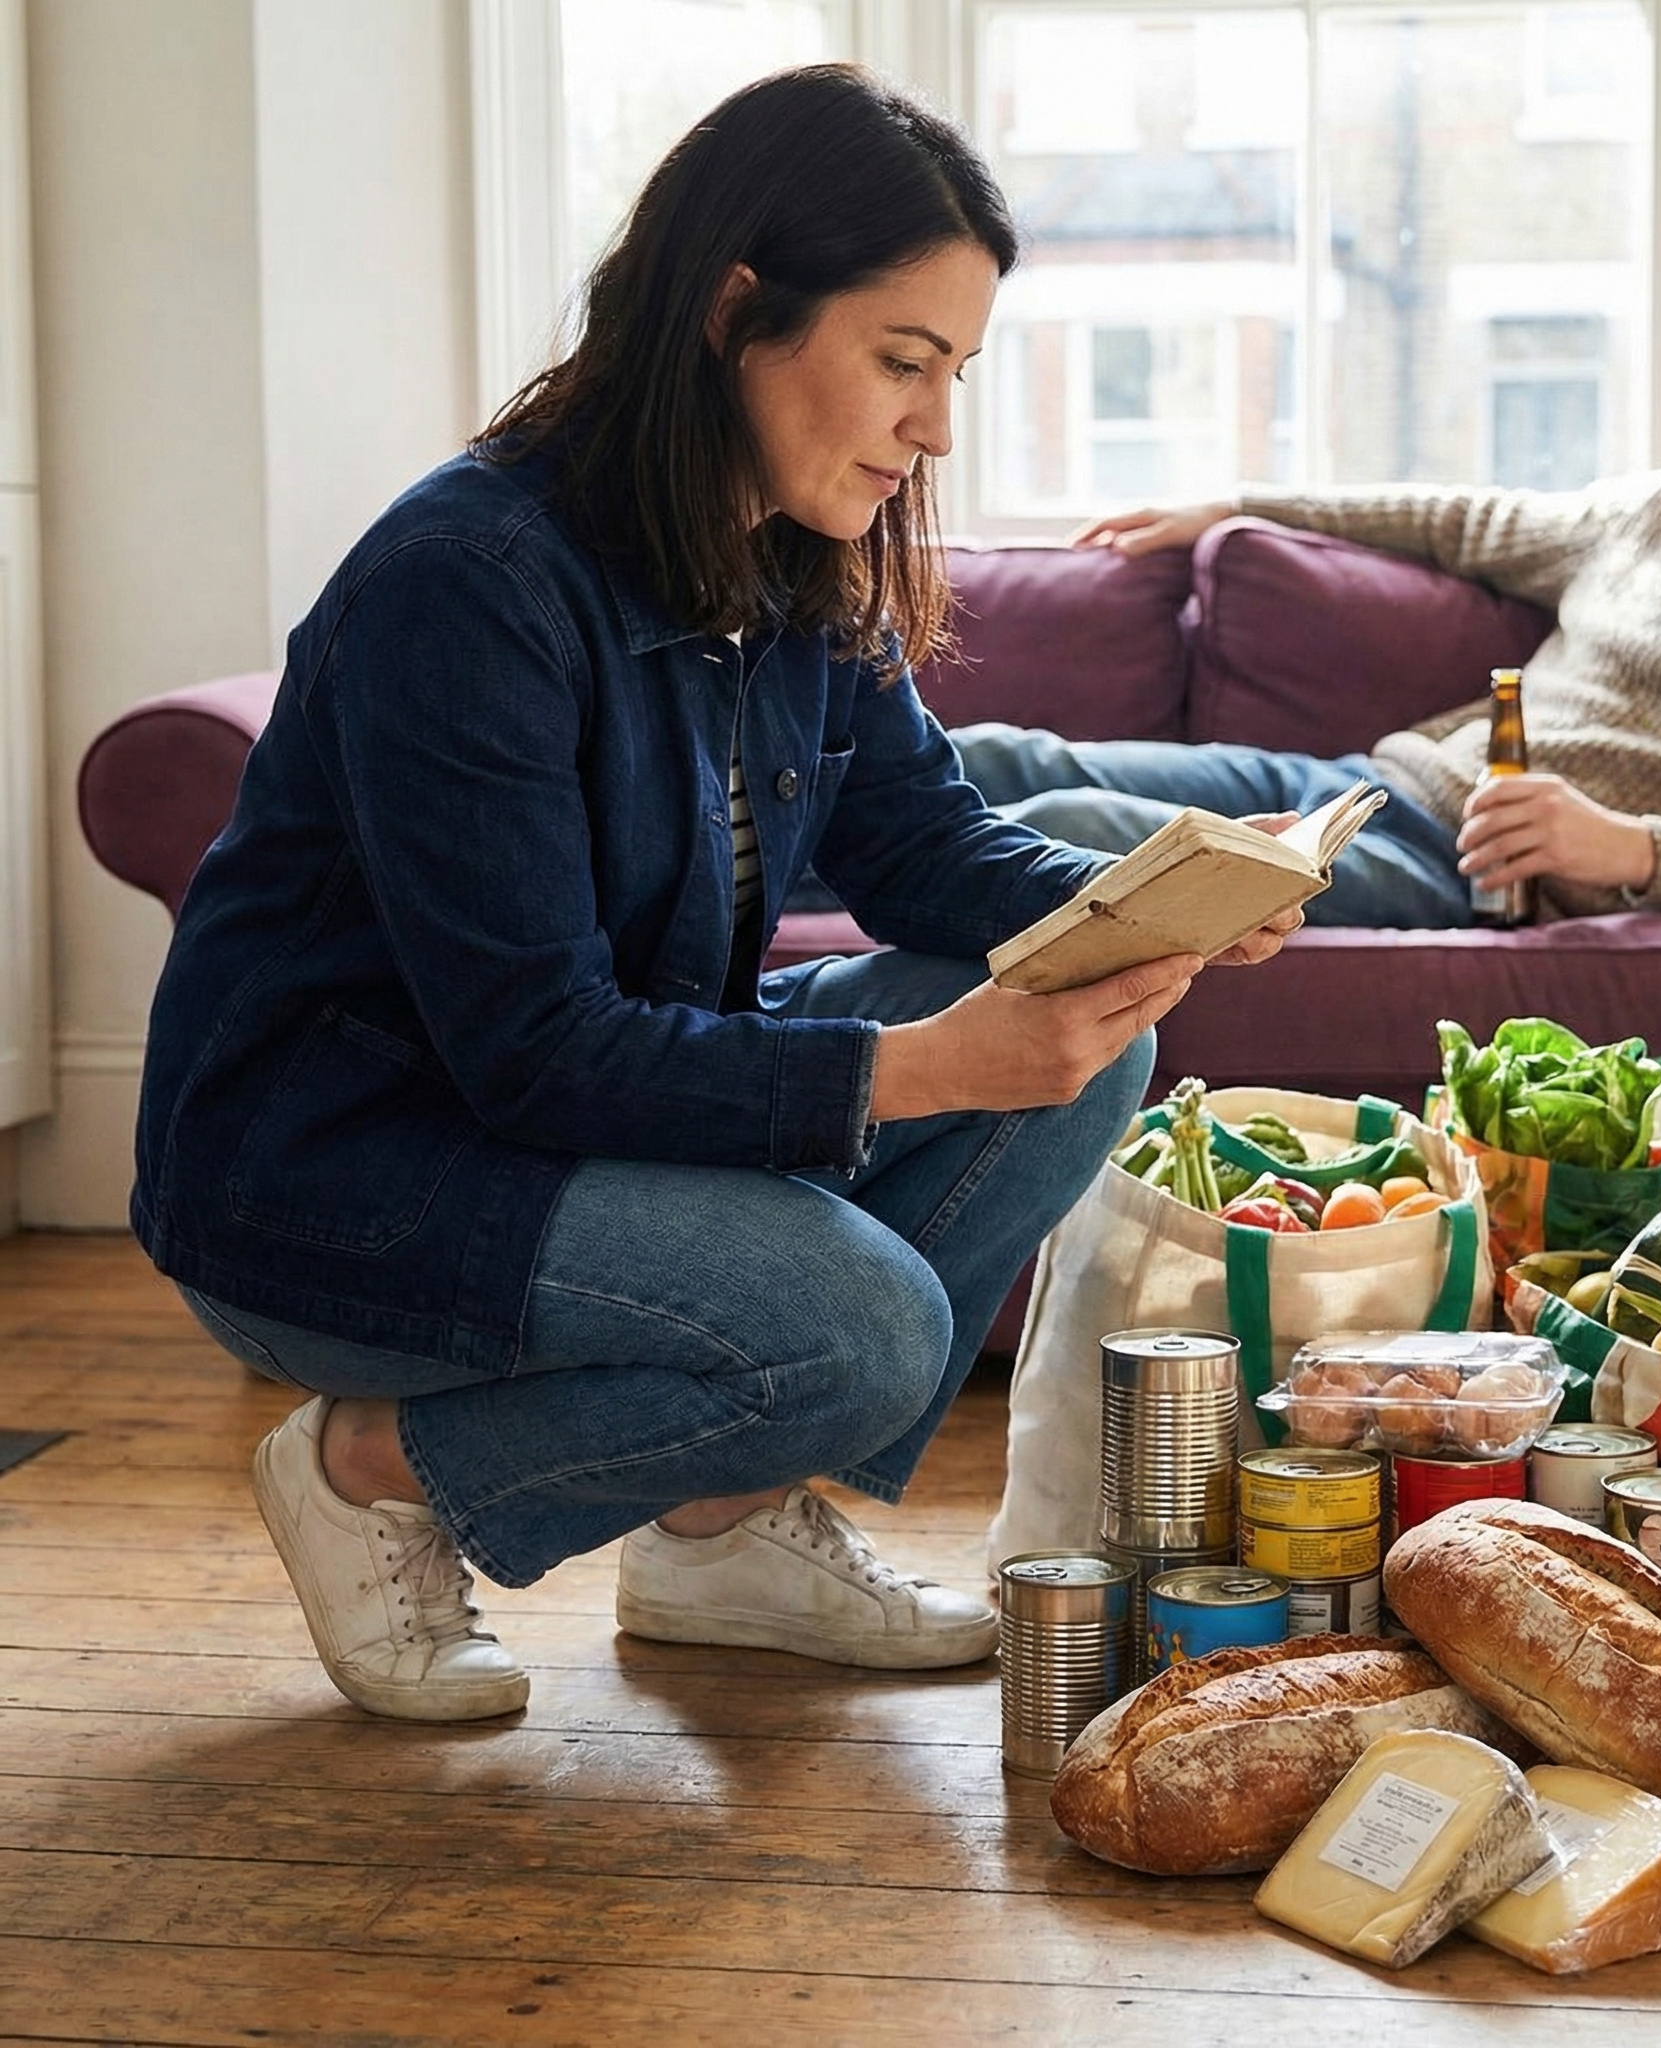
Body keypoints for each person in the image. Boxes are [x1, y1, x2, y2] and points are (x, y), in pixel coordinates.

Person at [129, 65, 1299, 1724]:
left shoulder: (789, 557)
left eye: (953, 372)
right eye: (903, 362)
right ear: (737, 307)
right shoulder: (469, 585)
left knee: (1086, 1037)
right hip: (342, 1171)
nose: (935, 426)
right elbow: (534, 1049)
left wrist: (1155, 900)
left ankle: (718, 1531)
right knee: (871, 1330)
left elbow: (925, 846)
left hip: (560, 1105)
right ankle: (368, 1467)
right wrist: (926, 1067)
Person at [947, 237, 1661, 927]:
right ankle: (765, 957)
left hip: (1476, 873)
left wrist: (1632, 851)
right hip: (1374, 784)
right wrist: (1238, 507)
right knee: (987, 759)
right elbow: (1461, 520)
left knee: (1067, 824)